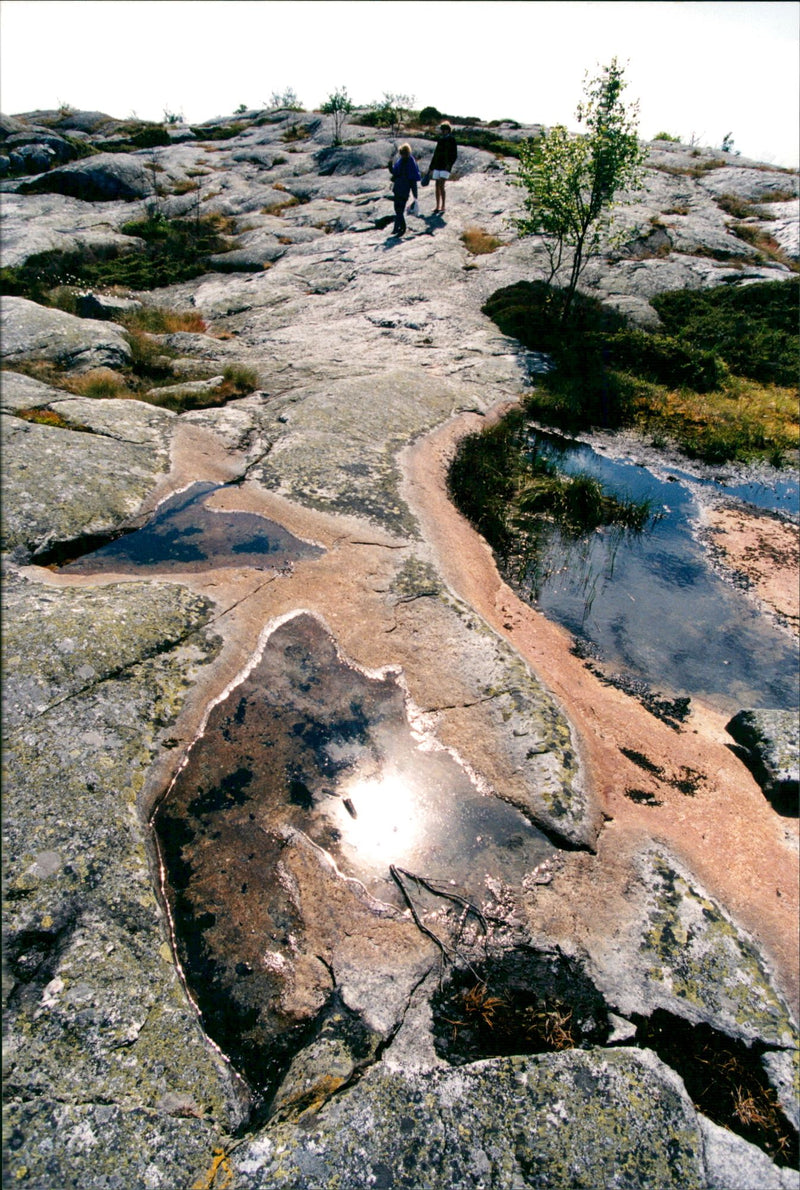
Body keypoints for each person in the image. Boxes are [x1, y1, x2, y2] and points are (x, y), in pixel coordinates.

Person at [389, 143, 421, 236]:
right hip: (397, 188)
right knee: (397, 208)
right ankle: (397, 228)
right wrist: (390, 166)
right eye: (401, 153)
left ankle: (401, 228)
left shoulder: (411, 163)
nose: (402, 155)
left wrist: (415, 195)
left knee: (399, 209)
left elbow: (413, 180)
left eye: (403, 153)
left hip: (404, 190)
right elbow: (395, 172)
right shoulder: (400, 161)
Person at [428, 121, 457, 214]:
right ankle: (437, 206)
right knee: (436, 186)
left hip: (446, 166)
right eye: (442, 130)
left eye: (445, 130)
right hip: (438, 165)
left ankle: (443, 206)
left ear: (448, 130)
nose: (443, 131)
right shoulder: (440, 140)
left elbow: (454, 155)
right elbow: (436, 154)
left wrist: (449, 165)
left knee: (441, 185)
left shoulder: (452, 140)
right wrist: (431, 167)